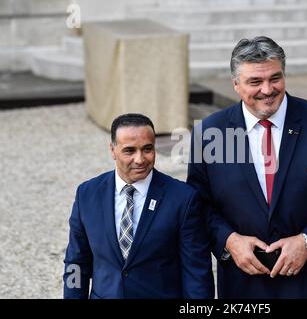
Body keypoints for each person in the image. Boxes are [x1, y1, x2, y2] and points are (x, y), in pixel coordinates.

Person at [187, 36, 307, 298]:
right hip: (245, 284)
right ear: (236, 85)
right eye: (255, 82)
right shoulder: (209, 134)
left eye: (275, 78)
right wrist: (229, 240)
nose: (267, 89)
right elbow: (197, 204)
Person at [63, 113, 214, 299]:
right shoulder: (87, 194)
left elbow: (196, 272)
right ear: (112, 150)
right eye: (129, 151)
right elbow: (75, 263)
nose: (140, 159)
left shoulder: (183, 199)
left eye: (147, 149)